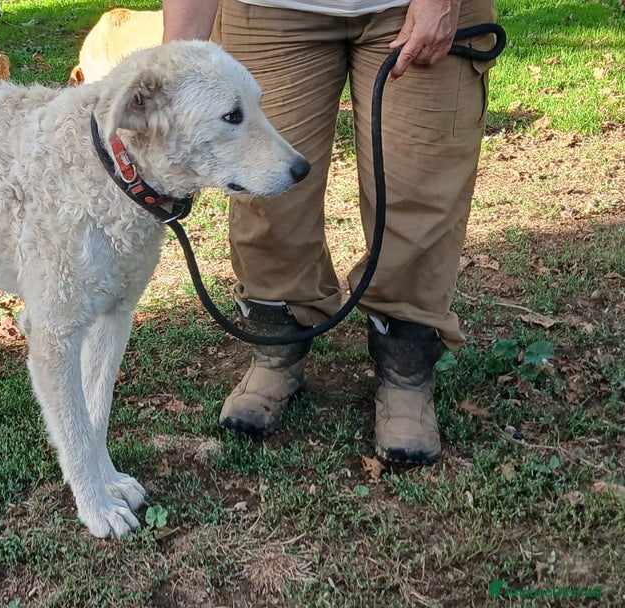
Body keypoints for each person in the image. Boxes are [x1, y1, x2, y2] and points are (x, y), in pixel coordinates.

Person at [162, 0, 497, 464]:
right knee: (267, 192)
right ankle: (277, 352)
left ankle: (405, 372)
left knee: (419, 188)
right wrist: (178, 59)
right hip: (270, 10)